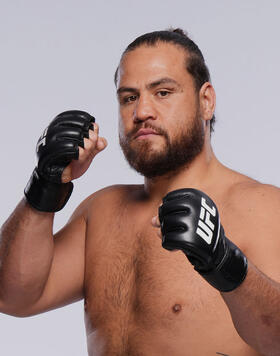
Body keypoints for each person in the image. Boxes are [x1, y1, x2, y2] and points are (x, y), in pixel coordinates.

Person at [0, 28, 279, 356]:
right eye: (129, 97)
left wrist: (224, 262)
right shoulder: (102, 211)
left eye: (162, 92)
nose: (141, 111)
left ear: (206, 101)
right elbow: (13, 297)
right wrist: (43, 187)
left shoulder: (263, 207)